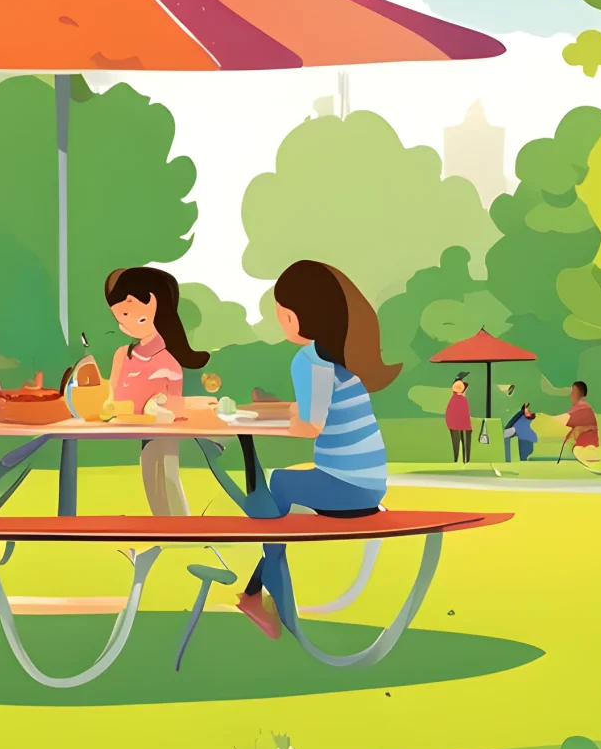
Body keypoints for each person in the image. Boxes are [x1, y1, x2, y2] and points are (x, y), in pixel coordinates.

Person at [233, 261, 398, 641]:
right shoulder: (340, 359)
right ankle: (256, 591)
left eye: (280, 312)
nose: (278, 318)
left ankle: (262, 589)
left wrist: (267, 420)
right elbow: (315, 410)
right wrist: (275, 409)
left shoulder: (309, 359)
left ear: (294, 316)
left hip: (347, 488)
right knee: (277, 504)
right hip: (370, 487)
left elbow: (311, 425)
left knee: (279, 483)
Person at [102, 267, 208, 516]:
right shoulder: (123, 354)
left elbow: (173, 403)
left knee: (165, 477)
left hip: (160, 429)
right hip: (134, 425)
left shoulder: (167, 360)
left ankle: (180, 531)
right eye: (120, 317)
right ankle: (169, 533)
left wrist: (159, 408)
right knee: (152, 477)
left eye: (129, 314)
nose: (123, 323)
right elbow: (112, 392)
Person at [560, 380, 600, 465]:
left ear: (577, 393)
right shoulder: (582, 407)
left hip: (587, 447)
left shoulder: (583, 408)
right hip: (584, 447)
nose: (570, 395)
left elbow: (563, 420)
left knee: (578, 450)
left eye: (572, 392)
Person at [444, 375, 472, 463]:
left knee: (458, 443)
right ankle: (464, 460)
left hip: (457, 424)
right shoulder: (461, 400)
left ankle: (461, 460)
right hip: (461, 425)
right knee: (461, 443)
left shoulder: (456, 400)